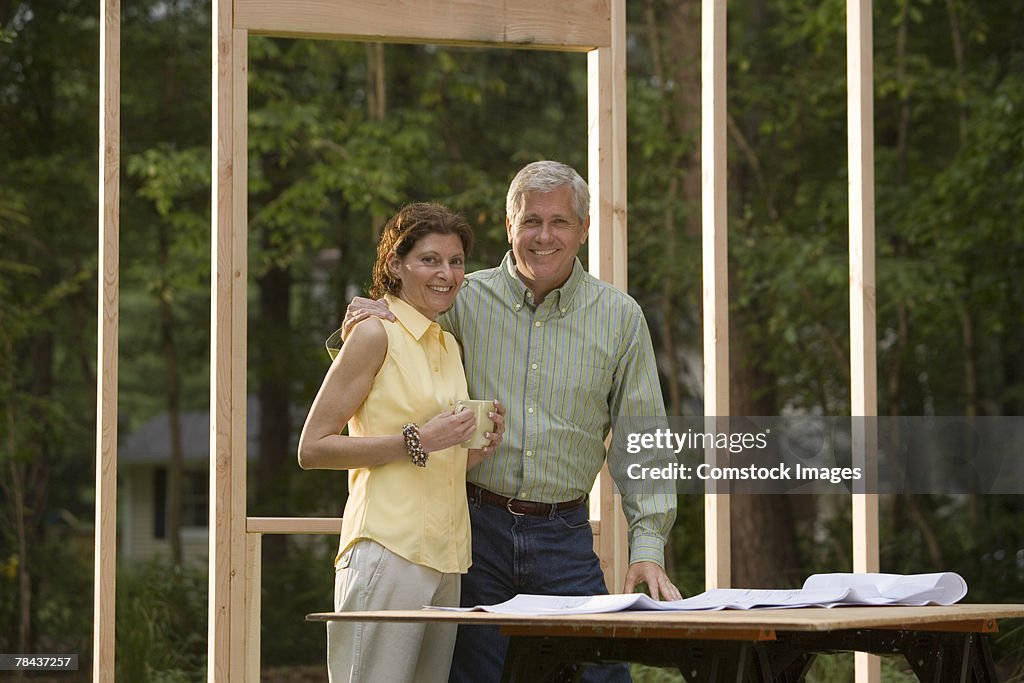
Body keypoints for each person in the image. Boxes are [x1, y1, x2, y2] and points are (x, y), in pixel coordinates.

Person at [343, 161, 679, 683]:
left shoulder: (620, 318)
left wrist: (648, 547)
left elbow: (642, 442)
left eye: (560, 222)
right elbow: (392, 347)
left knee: (602, 676)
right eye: (530, 221)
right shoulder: (459, 299)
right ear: (509, 226)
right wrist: (365, 314)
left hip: (564, 536)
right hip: (474, 533)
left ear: (584, 229)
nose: (543, 237)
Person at [298, 202, 506, 683]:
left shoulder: (447, 344)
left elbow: (429, 457)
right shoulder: (374, 333)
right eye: (430, 259)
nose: (447, 273)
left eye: (456, 261)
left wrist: (471, 451)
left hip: (447, 555)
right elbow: (313, 448)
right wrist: (418, 439)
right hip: (387, 550)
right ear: (395, 264)